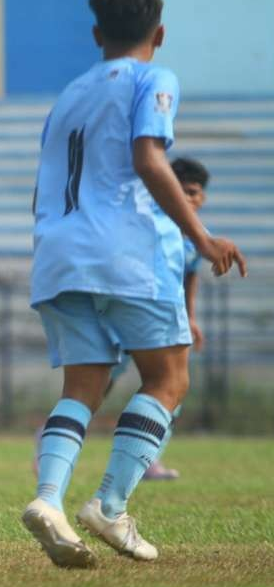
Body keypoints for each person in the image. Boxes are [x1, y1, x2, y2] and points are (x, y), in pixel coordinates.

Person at [22, 0, 246, 568]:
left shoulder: (69, 95)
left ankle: (48, 499)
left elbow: (39, 191)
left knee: (82, 389)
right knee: (169, 380)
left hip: (57, 254)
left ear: (97, 35)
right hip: (126, 255)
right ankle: (109, 506)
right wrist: (203, 238)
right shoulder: (154, 76)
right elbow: (149, 159)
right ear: (161, 32)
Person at [30, 156, 212, 481]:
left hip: (162, 315)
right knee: (96, 389)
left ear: (203, 197)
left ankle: (147, 460)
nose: (187, 198)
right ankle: (49, 442)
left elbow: (190, 277)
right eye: (181, 190)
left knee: (171, 388)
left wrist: (191, 317)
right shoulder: (149, 223)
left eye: (193, 192)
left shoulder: (197, 238)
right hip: (129, 310)